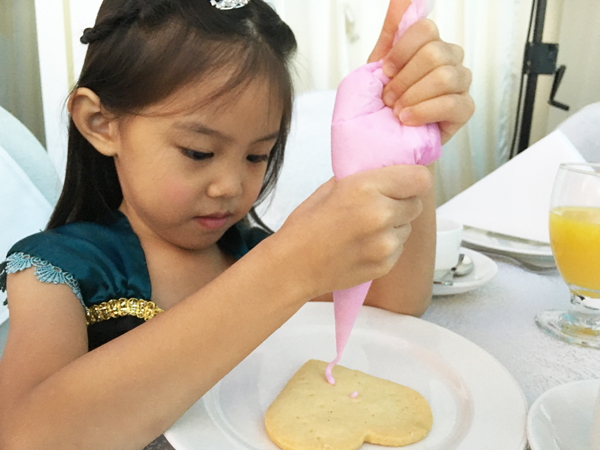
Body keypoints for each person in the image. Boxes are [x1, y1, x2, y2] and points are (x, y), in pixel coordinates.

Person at [0, 0, 473, 448]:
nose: (229, 185)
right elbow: (28, 436)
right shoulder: (56, 269)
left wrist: (402, 142)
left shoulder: (247, 251)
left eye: (257, 155)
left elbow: (393, 308)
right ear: (101, 122)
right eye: (198, 152)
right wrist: (286, 270)